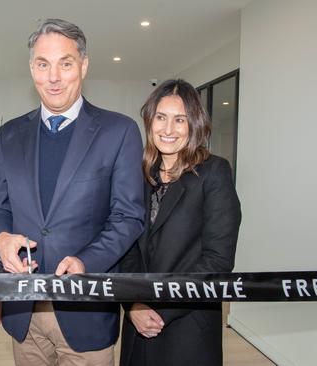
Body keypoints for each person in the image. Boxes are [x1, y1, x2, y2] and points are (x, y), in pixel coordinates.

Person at [0, 18, 144, 365]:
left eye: (65, 63)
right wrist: (1, 240)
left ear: (83, 66)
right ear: (32, 69)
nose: (53, 76)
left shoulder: (119, 131)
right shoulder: (8, 135)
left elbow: (128, 217)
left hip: (86, 309)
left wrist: (87, 260)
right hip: (23, 313)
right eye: (43, 64)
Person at [119, 79, 242, 366]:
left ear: (194, 125)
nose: (168, 129)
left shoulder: (214, 172)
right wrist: (134, 305)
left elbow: (218, 260)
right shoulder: (139, 172)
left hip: (187, 327)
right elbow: (127, 249)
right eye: (161, 118)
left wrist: (160, 309)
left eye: (180, 120)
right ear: (150, 121)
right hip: (137, 326)